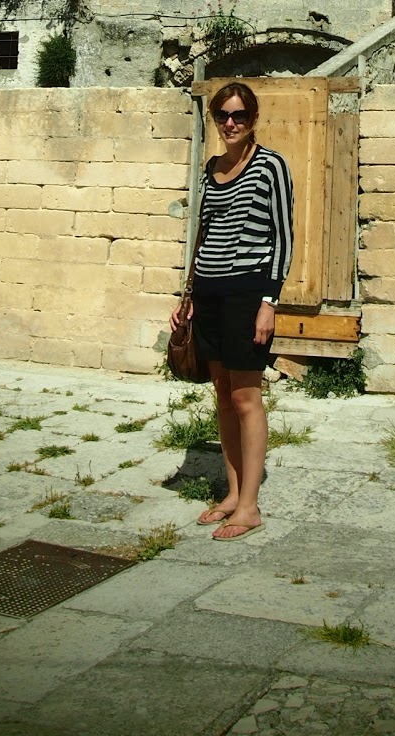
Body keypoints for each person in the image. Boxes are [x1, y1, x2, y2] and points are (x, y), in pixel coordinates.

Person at [171, 80, 293, 540]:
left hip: (247, 294)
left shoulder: (271, 167)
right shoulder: (211, 167)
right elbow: (203, 235)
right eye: (223, 115)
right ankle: (232, 492)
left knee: (246, 397)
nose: (230, 123)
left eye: (239, 115)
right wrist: (187, 297)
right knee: (221, 394)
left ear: (253, 118)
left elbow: (284, 238)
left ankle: (250, 506)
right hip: (208, 293)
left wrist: (269, 302)